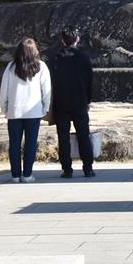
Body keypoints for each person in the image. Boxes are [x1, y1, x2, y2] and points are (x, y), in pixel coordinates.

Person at [0, 37, 51, 183]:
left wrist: (4, 108)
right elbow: (46, 90)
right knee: (30, 144)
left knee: (14, 145)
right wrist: (45, 107)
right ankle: (27, 174)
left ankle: (15, 175)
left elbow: (4, 90)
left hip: (14, 111)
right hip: (34, 112)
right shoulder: (41, 66)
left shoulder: (11, 67)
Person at [49, 29, 94, 178]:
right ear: (77, 39)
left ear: (62, 41)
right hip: (80, 101)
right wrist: (88, 100)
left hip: (60, 103)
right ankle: (88, 168)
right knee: (83, 135)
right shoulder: (84, 58)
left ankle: (67, 169)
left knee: (63, 137)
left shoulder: (55, 58)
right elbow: (89, 81)